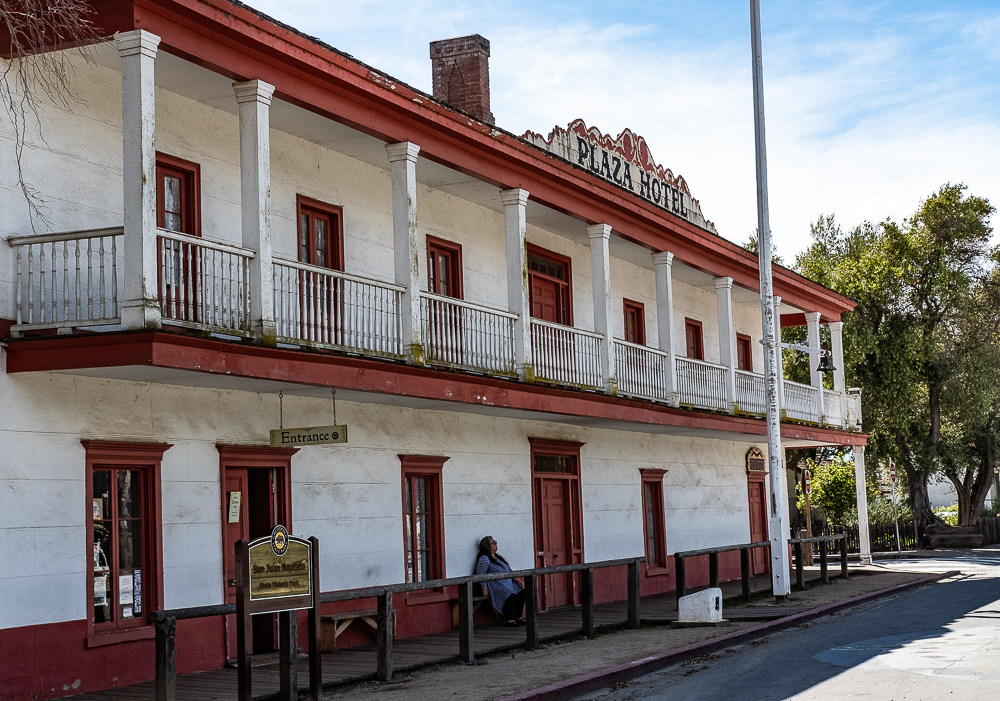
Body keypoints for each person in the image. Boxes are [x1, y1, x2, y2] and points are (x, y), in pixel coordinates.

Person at [474, 535, 525, 626]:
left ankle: (518, 617)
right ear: (487, 546)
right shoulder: (484, 558)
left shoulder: (498, 558)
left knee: (520, 590)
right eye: (493, 543)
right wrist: (484, 588)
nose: (496, 544)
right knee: (508, 592)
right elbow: (480, 575)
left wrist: (518, 581)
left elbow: (509, 571)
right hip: (495, 585)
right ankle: (510, 620)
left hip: (507, 583)